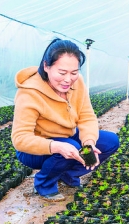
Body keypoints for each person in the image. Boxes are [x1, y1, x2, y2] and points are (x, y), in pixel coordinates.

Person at [11, 38, 119, 201]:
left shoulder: (78, 83)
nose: (68, 79)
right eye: (62, 73)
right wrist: (56, 146)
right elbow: (20, 139)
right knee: (70, 147)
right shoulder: (29, 93)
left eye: (74, 73)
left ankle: (68, 175)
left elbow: (87, 116)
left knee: (110, 141)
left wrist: (89, 141)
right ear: (46, 66)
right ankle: (44, 184)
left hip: (67, 137)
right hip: (34, 150)